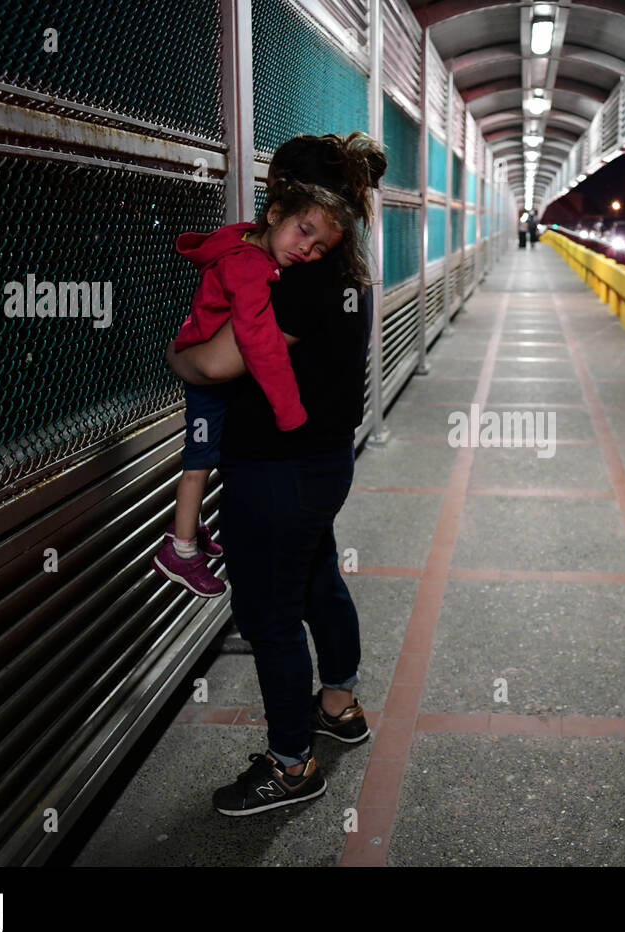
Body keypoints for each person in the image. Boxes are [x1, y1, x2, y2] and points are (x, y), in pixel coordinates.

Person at [166, 132, 387, 815]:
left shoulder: (296, 280)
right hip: (323, 464)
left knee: (270, 616)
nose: (305, 240)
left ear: (280, 197)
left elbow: (216, 364)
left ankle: (292, 766)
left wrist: (178, 359)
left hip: (277, 470)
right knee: (318, 579)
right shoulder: (349, 268)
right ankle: (340, 704)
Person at [152, 179, 350, 598]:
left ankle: (192, 529)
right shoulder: (249, 267)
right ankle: (179, 548)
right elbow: (260, 344)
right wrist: (289, 411)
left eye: (319, 249)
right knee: (198, 461)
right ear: (275, 213)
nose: (307, 250)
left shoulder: (246, 245)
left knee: (211, 454)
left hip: (202, 355)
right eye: (304, 231)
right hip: (203, 378)